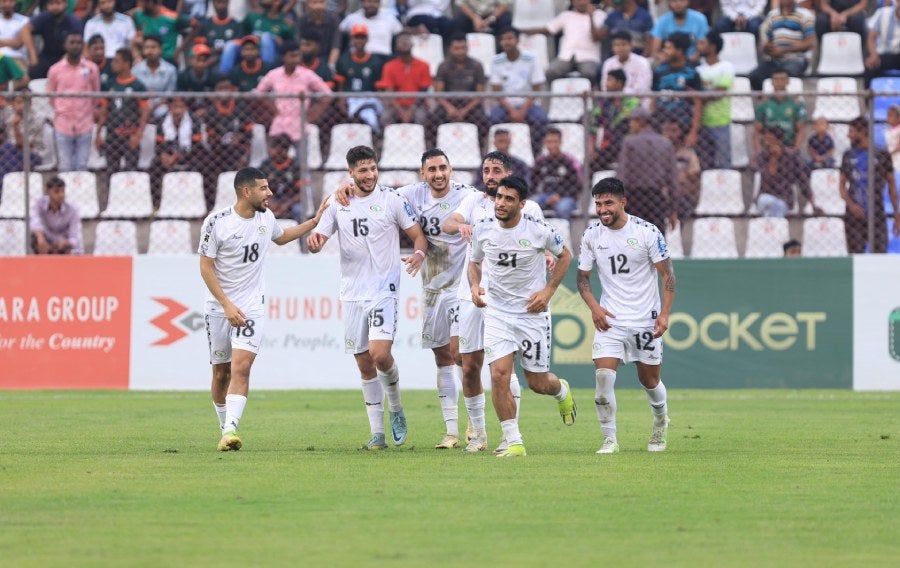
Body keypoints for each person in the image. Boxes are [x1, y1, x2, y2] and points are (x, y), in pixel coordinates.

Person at [308, 145, 427, 450]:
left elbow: (418, 235)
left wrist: (418, 254)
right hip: (351, 293)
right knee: (363, 363)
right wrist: (314, 241)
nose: (370, 175)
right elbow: (317, 241)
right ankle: (377, 434)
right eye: (363, 170)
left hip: (383, 289)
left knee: (380, 354)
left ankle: (397, 407)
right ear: (351, 173)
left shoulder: (392, 199)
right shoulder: (339, 203)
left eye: (373, 168)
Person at [200, 166, 327, 451]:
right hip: (220, 308)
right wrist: (226, 304)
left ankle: (231, 429)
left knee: (241, 367)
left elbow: (281, 237)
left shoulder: (266, 218)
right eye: (263, 188)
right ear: (246, 192)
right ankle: (224, 427)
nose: (269, 193)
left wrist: (314, 222)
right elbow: (205, 268)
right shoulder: (216, 222)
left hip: (251, 308)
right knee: (221, 373)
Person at [442, 150, 547, 453]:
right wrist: (460, 225)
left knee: (501, 369)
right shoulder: (474, 201)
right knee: (465, 361)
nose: (490, 176)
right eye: (486, 170)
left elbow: (544, 241)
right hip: (472, 289)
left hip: (510, 296)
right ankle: (478, 432)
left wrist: (549, 257)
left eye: (496, 170)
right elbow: (450, 222)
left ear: (508, 174)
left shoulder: (530, 209)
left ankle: (507, 433)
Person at [468, 175, 576, 457]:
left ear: (522, 204)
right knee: (499, 375)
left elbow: (566, 256)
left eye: (509, 199)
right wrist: (474, 286)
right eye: (499, 197)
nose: (501, 203)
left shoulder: (539, 230)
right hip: (498, 313)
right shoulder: (483, 228)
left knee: (538, 383)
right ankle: (514, 441)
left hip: (532, 314)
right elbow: (474, 261)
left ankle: (561, 391)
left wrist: (548, 291)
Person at [576, 176, 675, 455]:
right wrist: (595, 308)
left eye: (609, 203)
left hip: (646, 320)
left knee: (650, 382)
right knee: (603, 378)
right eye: (598, 204)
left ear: (623, 202)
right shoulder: (591, 235)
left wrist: (664, 315)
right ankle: (610, 439)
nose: (603, 209)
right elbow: (582, 278)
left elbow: (668, 276)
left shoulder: (647, 232)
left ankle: (660, 422)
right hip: (611, 321)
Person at [393, 149, 480, 449]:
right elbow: (377, 194)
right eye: (432, 169)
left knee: (459, 353)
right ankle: (451, 431)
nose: (438, 174)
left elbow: (498, 205)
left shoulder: (469, 196)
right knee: (442, 356)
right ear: (423, 174)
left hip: (461, 286)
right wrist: (344, 187)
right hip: (432, 287)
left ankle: (474, 422)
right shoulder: (412, 195)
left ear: (451, 169)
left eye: (443, 167)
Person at [255, 39, 332, 160]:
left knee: (301, 163)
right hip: (279, 124)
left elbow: (327, 94)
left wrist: (314, 113)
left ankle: (301, 179)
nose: (295, 59)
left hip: (299, 124)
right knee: (276, 160)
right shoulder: (274, 74)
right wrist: (273, 109)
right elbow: (259, 93)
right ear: (283, 57)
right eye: (292, 56)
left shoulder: (307, 75)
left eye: (297, 55)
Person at [839, 117, 900, 254]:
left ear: (863, 132)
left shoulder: (882, 154)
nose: (848, 135)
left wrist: (896, 214)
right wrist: (851, 205)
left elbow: (891, 185)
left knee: (880, 255)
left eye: (851, 131)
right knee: (855, 256)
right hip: (854, 216)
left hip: (877, 213)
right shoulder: (848, 155)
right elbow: (842, 187)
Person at [616, 106, 678, 234]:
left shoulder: (629, 143)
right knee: (656, 240)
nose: (630, 125)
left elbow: (623, 176)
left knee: (634, 240)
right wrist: (673, 209)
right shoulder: (665, 144)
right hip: (657, 198)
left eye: (632, 121)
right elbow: (672, 179)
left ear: (640, 121)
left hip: (634, 198)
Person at [47, 32, 100, 173]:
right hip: (63, 123)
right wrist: (61, 109)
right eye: (72, 42)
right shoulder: (55, 70)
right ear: (65, 45)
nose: (75, 46)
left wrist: (87, 110)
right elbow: (51, 96)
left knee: (82, 166)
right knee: (65, 166)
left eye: (78, 43)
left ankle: (79, 195)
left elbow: (96, 93)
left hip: (84, 122)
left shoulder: (91, 68)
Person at [489, 28, 547, 156]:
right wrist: (512, 111)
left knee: (541, 119)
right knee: (493, 118)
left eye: (509, 38)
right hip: (505, 105)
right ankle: (497, 156)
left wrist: (522, 111)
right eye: (503, 39)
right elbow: (497, 92)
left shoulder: (531, 59)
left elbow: (536, 89)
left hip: (528, 104)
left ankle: (535, 155)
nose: (506, 42)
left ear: (517, 40)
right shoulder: (496, 61)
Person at [521, 0, 605, 86]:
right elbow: (548, 30)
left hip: (589, 57)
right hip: (566, 56)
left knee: (589, 74)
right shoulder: (566, 15)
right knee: (550, 72)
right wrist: (522, 31)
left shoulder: (600, 15)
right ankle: (555, 97)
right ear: (572, 2)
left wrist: (590, 17)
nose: (581, 2)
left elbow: (596, 38)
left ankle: (590, 98)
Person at [95, 47, 150, 174]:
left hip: (130, 134)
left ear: (126, 64)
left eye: (117, 61)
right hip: (112, 134)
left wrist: (138, 134)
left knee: (131, 171)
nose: (113, 64)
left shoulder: (138, 86)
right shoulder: (109, 84)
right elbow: (104, 110)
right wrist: (98, 134)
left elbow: (145, 111)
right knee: (111, 171)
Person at [428, 33, 487, 146]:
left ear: (467, 48)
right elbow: (438, 94)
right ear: (450, 49)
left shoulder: (477, 65)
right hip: (448, 103)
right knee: (432, 120)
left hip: (470, 104)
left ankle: (479, 151)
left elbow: (480, 95)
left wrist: (465, 110)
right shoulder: (443, 66)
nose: (460, 52)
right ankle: (435, 151)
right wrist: (450, 108)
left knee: (482, 120)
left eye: (463, 48)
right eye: (456, 48)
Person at [747, 0, 815, 91]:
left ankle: (789, 103)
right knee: (755, 76)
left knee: (785, 75)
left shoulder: (805, 15)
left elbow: (810, 42)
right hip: (775, 60)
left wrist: (783, 50)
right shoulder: (772, 15)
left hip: (796, 59)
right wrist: (768, 48)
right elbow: (766, 40)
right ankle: (763, 103)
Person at [149, 96, 203, 209]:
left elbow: (197, 146)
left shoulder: (194, 120)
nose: (177, 110)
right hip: (168, 155)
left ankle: (202, 204)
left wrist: (177, 156)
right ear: (169, 108)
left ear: (185, 108)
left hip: (190, 155)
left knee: (204, 164)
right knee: (154, 166)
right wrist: (163, 155)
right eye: (175, 107)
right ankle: (157, 204)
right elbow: (158, 144)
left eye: (180, 107)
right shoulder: (162, 121)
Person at [652, 32, 703, 150]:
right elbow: (653, 99)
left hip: (684, 127)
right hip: (661, 125)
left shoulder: (692, 73)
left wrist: (693, 132)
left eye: (669, 48)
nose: (665, 50)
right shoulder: (659, 71)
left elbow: (698, 104)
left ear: (679, 51)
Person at [333, 24, 386, 136]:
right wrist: (341, 101)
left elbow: (379, 88)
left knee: (369, 115)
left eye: (362, 38)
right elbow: (340, 85)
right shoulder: (344, 59)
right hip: (351, 97)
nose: (359, 41)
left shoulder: (375, 61)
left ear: (366, 39)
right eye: (357, 38)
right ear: (352, 39)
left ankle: (375, 136)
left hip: (369, 97)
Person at [756, 125, 820, 217]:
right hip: (765, 196)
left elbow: (802, 181)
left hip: (784, 198)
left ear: (779, 141)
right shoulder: (763, 157)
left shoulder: (792, 157)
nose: (767, 143)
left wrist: (813, 204)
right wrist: (774, 159)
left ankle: (771, 225)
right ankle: (776, 227)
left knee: (776, 207)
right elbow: (767, 178)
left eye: (770, 139)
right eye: (766, 139)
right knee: (772, 204)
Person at [696, 31, 734, 170]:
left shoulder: (726, 67)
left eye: (702, 43)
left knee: (724, 163)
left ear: (712, 47)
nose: (698, 46)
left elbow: (720, 92)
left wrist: (699, 96)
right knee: (705, 164)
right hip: (702, 123)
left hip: (721, 122)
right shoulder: (697, 69)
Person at [377, 31, 431, 126]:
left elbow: (423, 92)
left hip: (416, 105)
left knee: (421, 116)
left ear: (412, 44)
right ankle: (386, 140)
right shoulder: (389, 66)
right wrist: (401, 111)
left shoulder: (424, 65)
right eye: (401, 41)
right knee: (385, 117)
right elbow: (390, 92)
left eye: (407, 40)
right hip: (396, 105)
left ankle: (421, 140)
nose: (404, 43)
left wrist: (411, 110)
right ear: (396, 46)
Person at [590, 68, 640, 170]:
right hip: (608, 147)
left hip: (629, 146)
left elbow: (639, 126)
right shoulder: (602, 103)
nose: (606, 84)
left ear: (619, 83)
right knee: (590, 166)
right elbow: (594, 127)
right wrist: (591, 149)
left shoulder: (633, 102)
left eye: (609, 80)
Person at [753, 68, 808, 156]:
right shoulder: (764, 104)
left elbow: (801, 129)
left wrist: (795, 150)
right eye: (776, 79)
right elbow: (757, 131)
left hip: (789, 147)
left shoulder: (796, 103)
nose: (779, 82)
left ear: (788, 82)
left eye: (782, 79)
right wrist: (758, 151)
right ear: (772, 82)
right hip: (768, 148)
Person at [531, 127, 582, 219]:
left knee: (563, 208)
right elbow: (533, 183)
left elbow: (577, 185)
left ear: (560, 142)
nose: (552, 145)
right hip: (545, 196)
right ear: (545, 143)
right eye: (549, 142)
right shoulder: (540, 162)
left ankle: (562, 233)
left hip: (566, 197)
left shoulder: (570, 161)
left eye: (555, 141)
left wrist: (560, 196)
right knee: (531, 205)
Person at [331, 0, 402, 66]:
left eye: (375, 2)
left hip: (383, 58)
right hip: (357, 58)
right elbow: (338, 33)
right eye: (368, 1)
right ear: (362, 3)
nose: (371, 5)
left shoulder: (390, 18)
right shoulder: (352, 18)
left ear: (379, 3)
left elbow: (401, 34)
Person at [26, 0, 82, 78]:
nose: (55, 7)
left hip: (68, 56)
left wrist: (65, 59)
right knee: (34, 70)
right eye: (51, 4)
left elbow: (78, 43)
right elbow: (25, 30)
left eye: (58, 3)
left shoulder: (73, 22)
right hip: (47, 55)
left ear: (65, 4)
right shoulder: (44, 17)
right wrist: (33, 55)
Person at [29, 176, 82, 255]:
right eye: (56, 192)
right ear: (48, 192)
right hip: (45, 240)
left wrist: (66, 243)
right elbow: (35, 222)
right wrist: (40, 237)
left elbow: (75, 237)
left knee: (66, 247)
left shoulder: (72, 209)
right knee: (35, 238)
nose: (61, 195)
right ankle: (42, 262)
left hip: (62, 243)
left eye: (63, 191)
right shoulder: (39, 203)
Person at [646, 0, 709, 65]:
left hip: (694, 62)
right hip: (669, 63)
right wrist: (661, 57)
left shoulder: (700, 19)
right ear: (669, 3)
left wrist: (693, 58)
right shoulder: (663, 20)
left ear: (688, 1)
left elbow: (704, 45)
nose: (678, 3)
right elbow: (655, 50)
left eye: (681, 0)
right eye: (674, 1)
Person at [259, 133, 304, 222]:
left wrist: (287, 204)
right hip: (271, 200)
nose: (277, 151)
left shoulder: (294, 165)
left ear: (286, 149)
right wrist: (270, 202)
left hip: (290, 201)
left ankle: (299, 234)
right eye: (273, 147)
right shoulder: (265, 166)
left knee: (299, 210)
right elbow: (258, 190)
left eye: (283, 148)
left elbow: (302, 192)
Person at [132, 34, 177, 121]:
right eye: (147, 47)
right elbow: (134, 93)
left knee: (164, 111)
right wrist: (145, 106)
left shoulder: (170, 69)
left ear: (161, 50)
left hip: (161, 106)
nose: (150, 51)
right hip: (140, 106)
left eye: (153, 47)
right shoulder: (135, 70)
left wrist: (155, 106)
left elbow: (170, 94)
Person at [662, 119, 701, 219]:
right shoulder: (657, 153)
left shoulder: (688, 153)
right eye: (666, 130)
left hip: (682, 193)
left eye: (674, 130)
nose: (670, 134)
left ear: (680, 132)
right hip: (661, 193)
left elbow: (694, 179)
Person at [131, 0, 192, 64]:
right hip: (147, 57)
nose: (140, 5)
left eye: (143, 2)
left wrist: (180, 50)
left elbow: (196, 25)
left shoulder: (172, 17)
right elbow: (124, 17)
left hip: (167, 57)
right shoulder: (139, 14)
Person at [193, 0, 243, 73]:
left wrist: (220, 55)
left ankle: (224, 76)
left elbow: (239, 48)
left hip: (230, 61)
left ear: (228, 2)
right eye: (218, 2)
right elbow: (199, 46)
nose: (221, 5)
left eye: (223, 2)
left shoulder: (236, 25)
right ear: (213, 3)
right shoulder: (206, 24)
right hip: (208, 58)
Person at [599, 30, 652, 96]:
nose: (620, 48)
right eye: (617, 45)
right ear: (612, 47)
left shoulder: (642, 62)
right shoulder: (608, 63)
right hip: (613, 101)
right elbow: (604, 86)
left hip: (638, 102)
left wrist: (619, 90)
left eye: (623, 44)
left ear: (631, 45)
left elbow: (642, 89)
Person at [864, 1, 900, 88]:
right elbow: (871, 38)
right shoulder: (882, 13)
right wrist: (873, 54)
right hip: (883, 55)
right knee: (870, 66)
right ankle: (867, 99)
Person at [0, 0, 36, 70]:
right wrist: (12, 42)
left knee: (23, 78)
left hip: (17, 57)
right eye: (4, 1)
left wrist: (2, 42)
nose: (7, 4)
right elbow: (16, 42)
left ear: (15, 2)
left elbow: (18, 44)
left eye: (10, 1)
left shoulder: (24, 20)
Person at [887, 104, 900, 173]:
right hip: (891, 159)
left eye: (890, 115)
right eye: (888, 115)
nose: (888, 118)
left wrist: (887, 155)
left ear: (898, 118)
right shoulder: (888, 130)